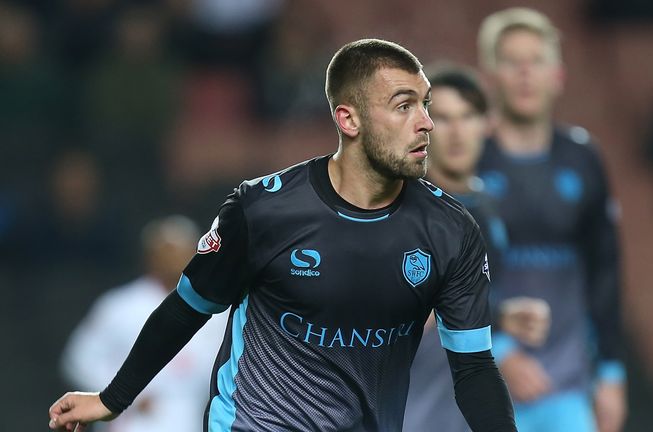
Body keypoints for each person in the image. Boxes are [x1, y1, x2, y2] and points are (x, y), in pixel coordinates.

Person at [48, 38, 516, 432]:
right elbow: (188, 308)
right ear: (348, 120)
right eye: (403, 105)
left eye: (425, 104)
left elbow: (473, 368)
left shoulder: (450, 230)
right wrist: (114, 398)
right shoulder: (263, 209)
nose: (426, 122)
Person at [476, 8, 626, 432]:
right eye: (511, 61)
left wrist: (612, 375)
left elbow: (605, 269)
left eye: (536, 60)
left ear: (557, 75)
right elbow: (450, 279)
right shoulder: (467, 161)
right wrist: (499, 350)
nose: (525, 73)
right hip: (480, 386)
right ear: (490, 77)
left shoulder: (583, 159)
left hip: (568, 388)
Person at [403, 67, 549, 432]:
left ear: (488, 124)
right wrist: (499, 320)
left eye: (467, 117)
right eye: (443, 118)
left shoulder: (488, 208)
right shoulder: (402, 208)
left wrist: (502, 339)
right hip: (405, 400)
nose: (455, 132)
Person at [60, 216, 228, 432]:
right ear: (150, 255)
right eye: (167, 250)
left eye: (181, 249)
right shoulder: (119, 305)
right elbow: (79, 359)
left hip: (193, 419)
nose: (173, 258)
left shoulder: (217, 311)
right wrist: (119, 394)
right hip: (133, 420)